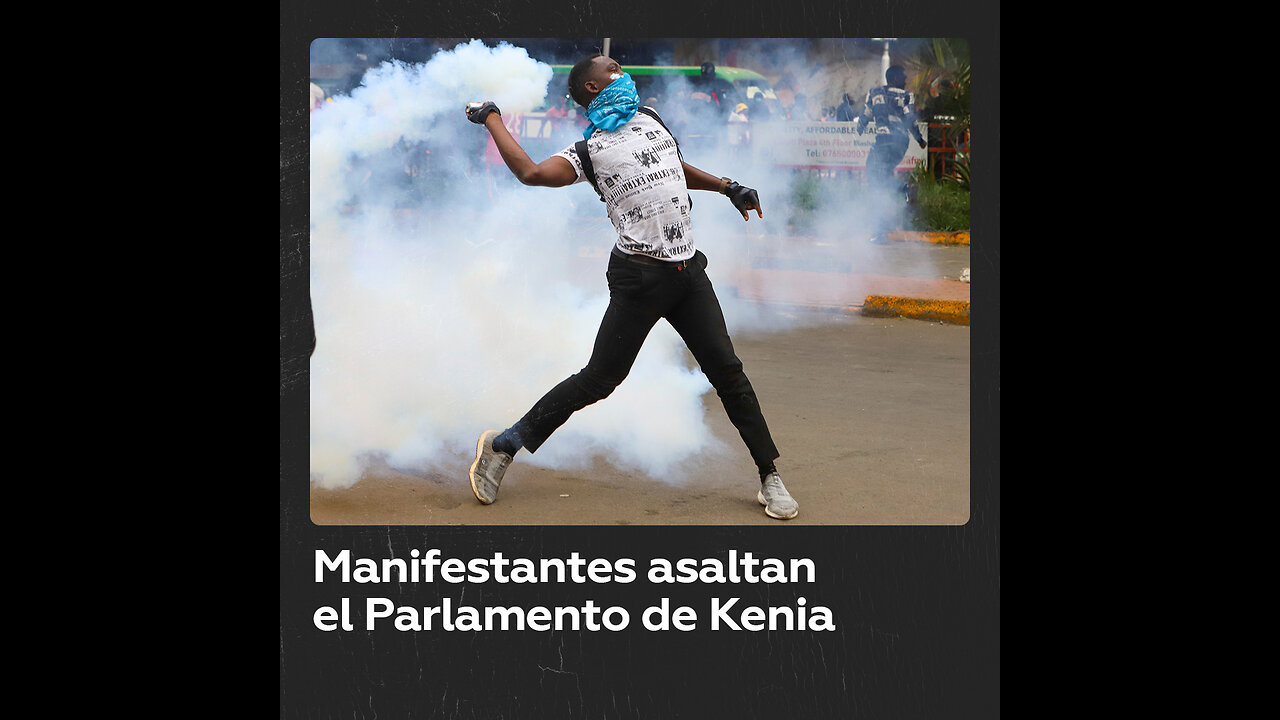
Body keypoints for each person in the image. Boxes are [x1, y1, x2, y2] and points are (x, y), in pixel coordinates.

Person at [462, 53, 798, 520]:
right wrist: (492, 118)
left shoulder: (651, 118)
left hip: (687, 274)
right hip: (639, 279)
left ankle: (769, 475)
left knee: (729, 374)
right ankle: (503, 445)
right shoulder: (587, 152)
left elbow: (676, 168)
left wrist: (728, 187)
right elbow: (532, 174)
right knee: (599, 380)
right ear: (593, 89)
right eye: (613, 70)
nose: (623, 73)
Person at [852, 65, 927, 244]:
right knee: (878, 182)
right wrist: (919, 139)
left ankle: (903, 191)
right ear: (893, 79)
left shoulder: (874, 92)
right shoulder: (906, 96)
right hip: (900, 143)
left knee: (875, 181)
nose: (906, 81)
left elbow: (865, 114)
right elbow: (909, 118)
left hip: (883, 142)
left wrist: (860, 128)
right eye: (903, 78)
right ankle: (881, 231)